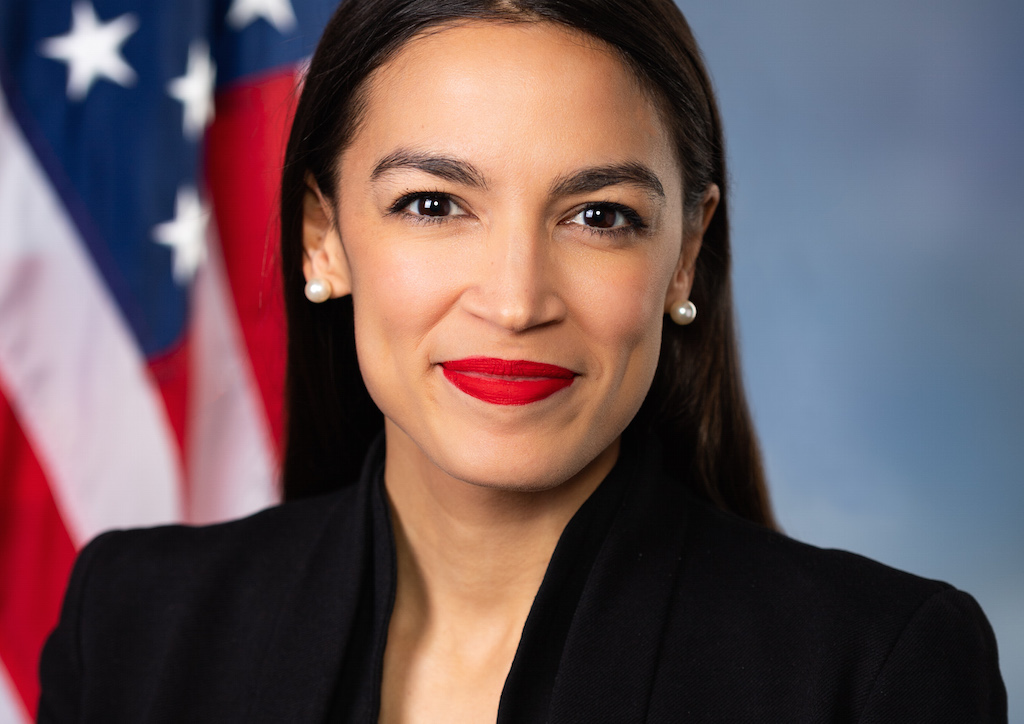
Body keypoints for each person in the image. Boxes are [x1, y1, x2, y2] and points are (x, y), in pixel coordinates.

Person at [39, 0, 1007, 721]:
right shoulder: (134, 627)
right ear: (321, 238)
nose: (514, 300)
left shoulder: (874, 667)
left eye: (598, 217)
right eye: (432, 204)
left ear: (684, 252)